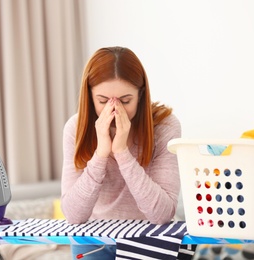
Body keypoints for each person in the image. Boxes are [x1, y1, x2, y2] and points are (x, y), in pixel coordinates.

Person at [61, 46, 182, 259]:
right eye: (102, 101)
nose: (115, 109)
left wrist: (122, 152)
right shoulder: (75, 128)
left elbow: (162, 214)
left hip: (149, 238)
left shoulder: (165, 127)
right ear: (89, 97)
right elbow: (73, 214)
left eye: (125, 101)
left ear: (141, 94)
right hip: (92, 239)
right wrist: (100, 154)